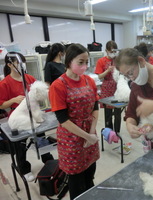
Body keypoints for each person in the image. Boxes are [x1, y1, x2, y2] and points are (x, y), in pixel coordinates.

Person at [49, 43, 99, 200]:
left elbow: (95, 106)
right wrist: (86, 136)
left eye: (87, 62)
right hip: (71, 138)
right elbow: (63, 120)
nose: (85, 66)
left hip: (90, 134)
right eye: (80, 62)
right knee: (76, 182)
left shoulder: (89, 81)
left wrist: (91, 133)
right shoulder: (58, 85)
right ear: (69, 61)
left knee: (90, 175)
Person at [0, 52, 50, 182]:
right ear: (10, 65)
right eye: (19, 63)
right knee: (21, 146)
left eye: (23, 63)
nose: (22, 65)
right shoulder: (5, 83)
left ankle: (48, 159)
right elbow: (1, 105)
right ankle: (24, 169)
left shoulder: (29, 78)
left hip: (34, 113)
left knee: (41, 139)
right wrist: (13, 100)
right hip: (18, 117)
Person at [94, 40, 121, 132]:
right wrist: (107, 71)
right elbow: (99, 76)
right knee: (108, 113)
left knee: (118, 112)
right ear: (106, 50)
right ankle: (109, 132)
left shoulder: (117, 60)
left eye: (114, 52)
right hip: (106, 87)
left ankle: (117, 132)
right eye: (111, 51)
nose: (113, 54)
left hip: (117, 87)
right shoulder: (101, 61)